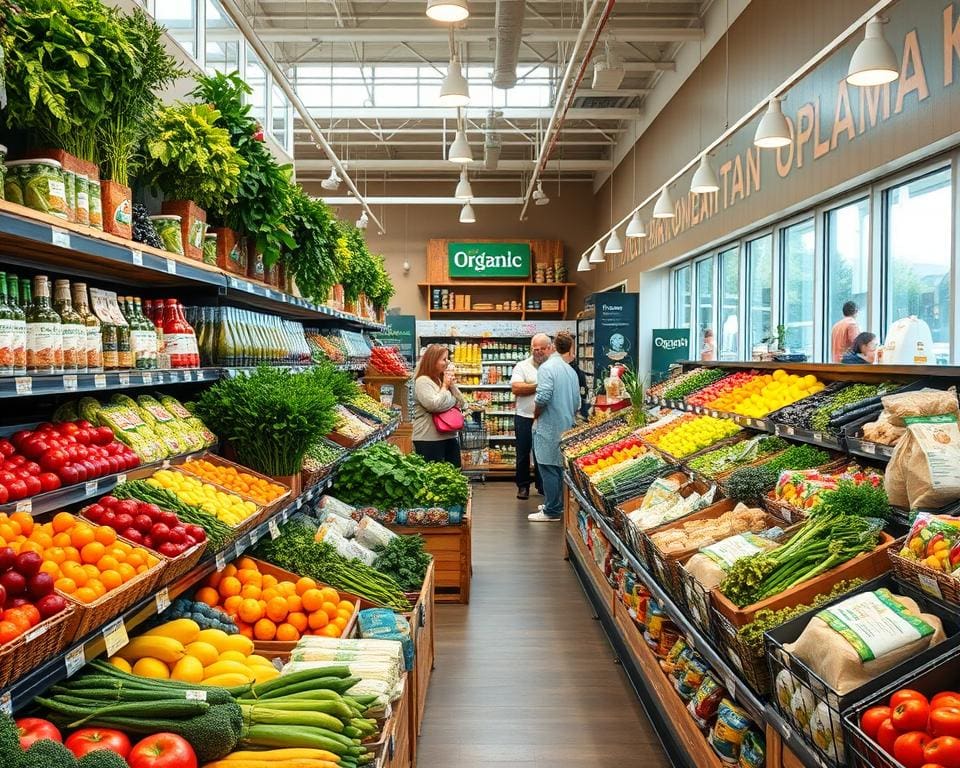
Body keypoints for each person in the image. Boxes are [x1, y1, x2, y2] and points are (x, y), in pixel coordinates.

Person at [528, 331, 581, 523]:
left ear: (552, 347)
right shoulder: (570, 371)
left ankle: (551, 511)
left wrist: (535, 416)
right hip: (566, 426)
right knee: (558, 468)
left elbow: (542, 396)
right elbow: (577, 403)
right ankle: (556, 503)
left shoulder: (547, 368)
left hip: (549, 425)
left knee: (548, 467)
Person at [511, 333, 551, 500]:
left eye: (542, 349)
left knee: (542, 453)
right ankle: (523, 486)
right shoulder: (522, 366)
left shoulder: (552, 366)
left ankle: (542, 486)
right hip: (524, 417)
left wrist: (531, 386)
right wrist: (539, 386)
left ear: (549, 348)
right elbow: (516, 388)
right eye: (535, 349)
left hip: (545, 417)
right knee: (523, 453)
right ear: (531, 348)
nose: (538, 352)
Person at [412, 344, 465, 466]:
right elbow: (434, 405)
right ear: (433, 360)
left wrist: (450, 385)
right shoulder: (422, 381)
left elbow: (461, 402)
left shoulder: (440, 379)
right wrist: (446, 389)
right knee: (433, 479)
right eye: (444, 359)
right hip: (428, 438)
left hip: (449, 435)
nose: (447, 362)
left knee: (455, 474)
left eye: (447, 359)